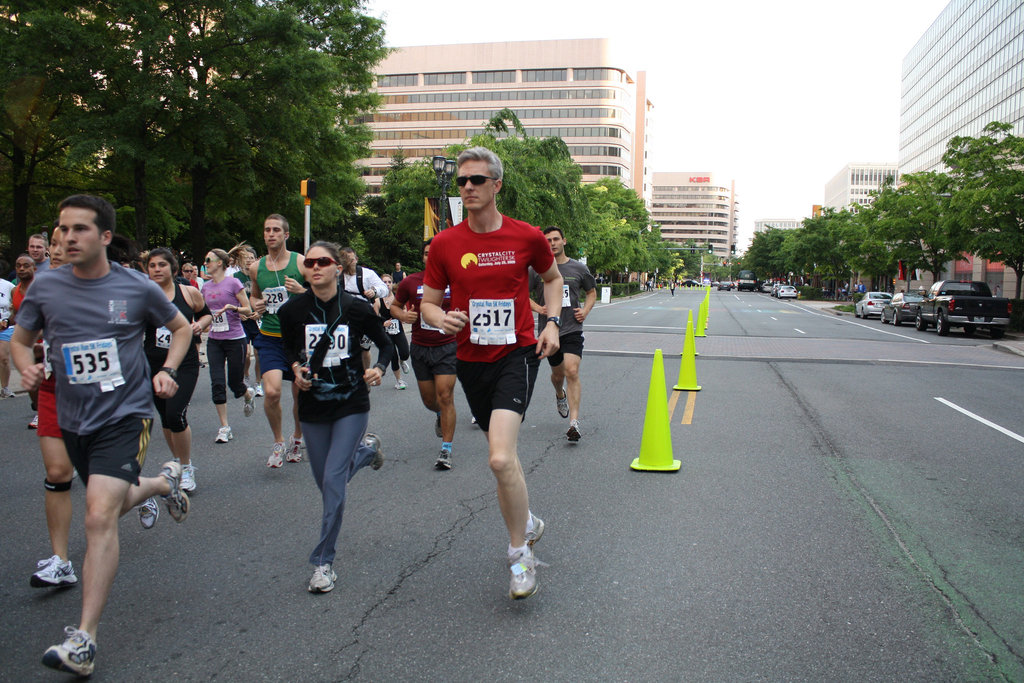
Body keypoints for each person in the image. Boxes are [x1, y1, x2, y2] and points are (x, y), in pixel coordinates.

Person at [11, 194, 192, 677]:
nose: (68, 238)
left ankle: (84, 638)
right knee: (105, 502)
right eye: (63, 229)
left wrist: (168, 370)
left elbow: (180, 329)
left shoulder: (135, 287)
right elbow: (21, 341)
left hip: (127, 416)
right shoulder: (45, 288)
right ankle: (158, 484)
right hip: (74, 419)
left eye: (80, 230)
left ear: (105, 237)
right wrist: (26, 370)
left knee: (96, 516)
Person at [420, 146, 563, 600]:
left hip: (516, 355)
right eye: (462, 181)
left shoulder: (527, 236)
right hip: (469, 361)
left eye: (477, 180)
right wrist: (439, 318)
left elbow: (553, 280)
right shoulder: (445, 244)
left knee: (500, 457)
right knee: (504, 463)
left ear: (496, 185)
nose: (467, 188)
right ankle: (529, 521)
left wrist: (553, 322)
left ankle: (520, 555)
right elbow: (426, 302)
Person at [278, 241, 392, 593]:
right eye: (309, 262)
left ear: (337, 269)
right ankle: (366, 453)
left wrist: (380, 369)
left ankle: (323, 562)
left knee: (331, 483)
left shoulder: (356, 308)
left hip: (351, 404)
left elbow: (386, 342)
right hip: (313, 406)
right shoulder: (292, 311)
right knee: (327, 481)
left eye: (322, 262)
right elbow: (286, 351)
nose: (314, 267)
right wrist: (296, 368)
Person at [29, 230, 79, 589]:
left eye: (64, 245)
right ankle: (61, 560)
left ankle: (152, 487)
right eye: (53, 247)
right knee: (59, 471)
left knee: (106, 487)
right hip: (52, 388)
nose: (58, 251)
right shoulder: (40, 288)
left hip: (98, 394)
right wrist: (27, 360)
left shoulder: (108, 283)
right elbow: (22, 338)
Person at [144, 248, 211, 493]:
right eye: (152, 265)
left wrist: (198, 325)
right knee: (165, 416)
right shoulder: (144, 297)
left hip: (185, 363)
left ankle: (186, 466)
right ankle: (177, 464)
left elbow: (207, 315)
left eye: (162, 265)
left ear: (173, 269)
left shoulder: (188, 293)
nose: (157, 269)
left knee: (175, 414)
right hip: (154, 363)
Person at [391, 238, 459, 470]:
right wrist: (402, 316)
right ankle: (439, 413)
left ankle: (446, 450)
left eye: (436, 253)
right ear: (423, 257)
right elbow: (394, 306)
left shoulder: (454, 279)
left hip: (448, 346)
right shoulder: (411, 282)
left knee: (445, 394)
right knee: (430, 400)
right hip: (420, 347)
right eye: (428, 253)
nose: (432, 256)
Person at [249, 214, 307, 467]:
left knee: (300, 396)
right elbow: (253, 296)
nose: (270, 234)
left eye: (276, 230)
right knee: (271, 392)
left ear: (286, 235)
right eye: (266, 230)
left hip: (299, 339)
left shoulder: (301, 263)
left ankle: (297, 437)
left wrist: (302, 291)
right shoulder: (256, 267)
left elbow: (322, 296)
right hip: (271, 338)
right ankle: (278, 440)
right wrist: (256, 304)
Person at [529, 226, 596, 442]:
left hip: (572, 328)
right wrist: (538, 308)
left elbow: (591, 292)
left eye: (556, 239)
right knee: (558, 375)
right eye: (547, 240)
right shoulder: (536, 269)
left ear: (564, 241)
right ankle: (560, 393)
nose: (552, 243)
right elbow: (519, 291)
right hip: (550, 331)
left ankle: (574, 423)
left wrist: (585, 311)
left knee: (572, 370)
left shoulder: (579, 268)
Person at [201, 248, 256, 442]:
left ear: (219, 263)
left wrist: (232, 307)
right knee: (217, 382)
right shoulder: (205, 287)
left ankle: (246, 393)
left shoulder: (233, 283)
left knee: (235, 383)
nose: (205, 262)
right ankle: (224, 426)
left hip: (235, 339)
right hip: (215, 341)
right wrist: (201, 325)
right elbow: (203, 313)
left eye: (209, 259)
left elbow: (248, 310)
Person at [338, 246, 388, 373]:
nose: (349, 263)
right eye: (345, 260)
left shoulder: (367, 274)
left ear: (356, 259)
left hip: (365, 316)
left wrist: (374, 291)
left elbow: (384, 289)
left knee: (365, 349)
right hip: (345, 316)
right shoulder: (337, 274)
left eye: (351, 259)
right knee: (345, 347)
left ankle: (366, 374)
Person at [231, 243, 263, 395]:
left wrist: (260, 312)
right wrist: (238, 312)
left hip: (257, 320)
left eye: (251, 258)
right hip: (242, 320)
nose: (249, 261)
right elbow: (230, 299)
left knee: (258, 353)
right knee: (245, 353)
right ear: (240, 261)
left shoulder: (260, 276)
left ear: (256, 260)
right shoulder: (235, 278)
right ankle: (245, 377)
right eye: (246, 258)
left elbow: (266, 297)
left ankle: (258, 383)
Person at [379, 273, 411, 390]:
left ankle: (402, 361)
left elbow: (404, 310)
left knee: (405, 352)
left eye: (389, 282)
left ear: (392, 284)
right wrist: (382, 323)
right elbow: (372, 318)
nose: (387, 284)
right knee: (393, 357)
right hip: (386, 334)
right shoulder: (378, 301)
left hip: (398, 330)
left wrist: (404, 316)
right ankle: (399, 381)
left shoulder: (398, 298)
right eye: (384, 282)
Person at [0, 261, 15, 398]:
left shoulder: (8, 286)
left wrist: (8, 319)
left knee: (4, 358)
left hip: (4, 327)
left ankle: (4, 387)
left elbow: (17, 306)